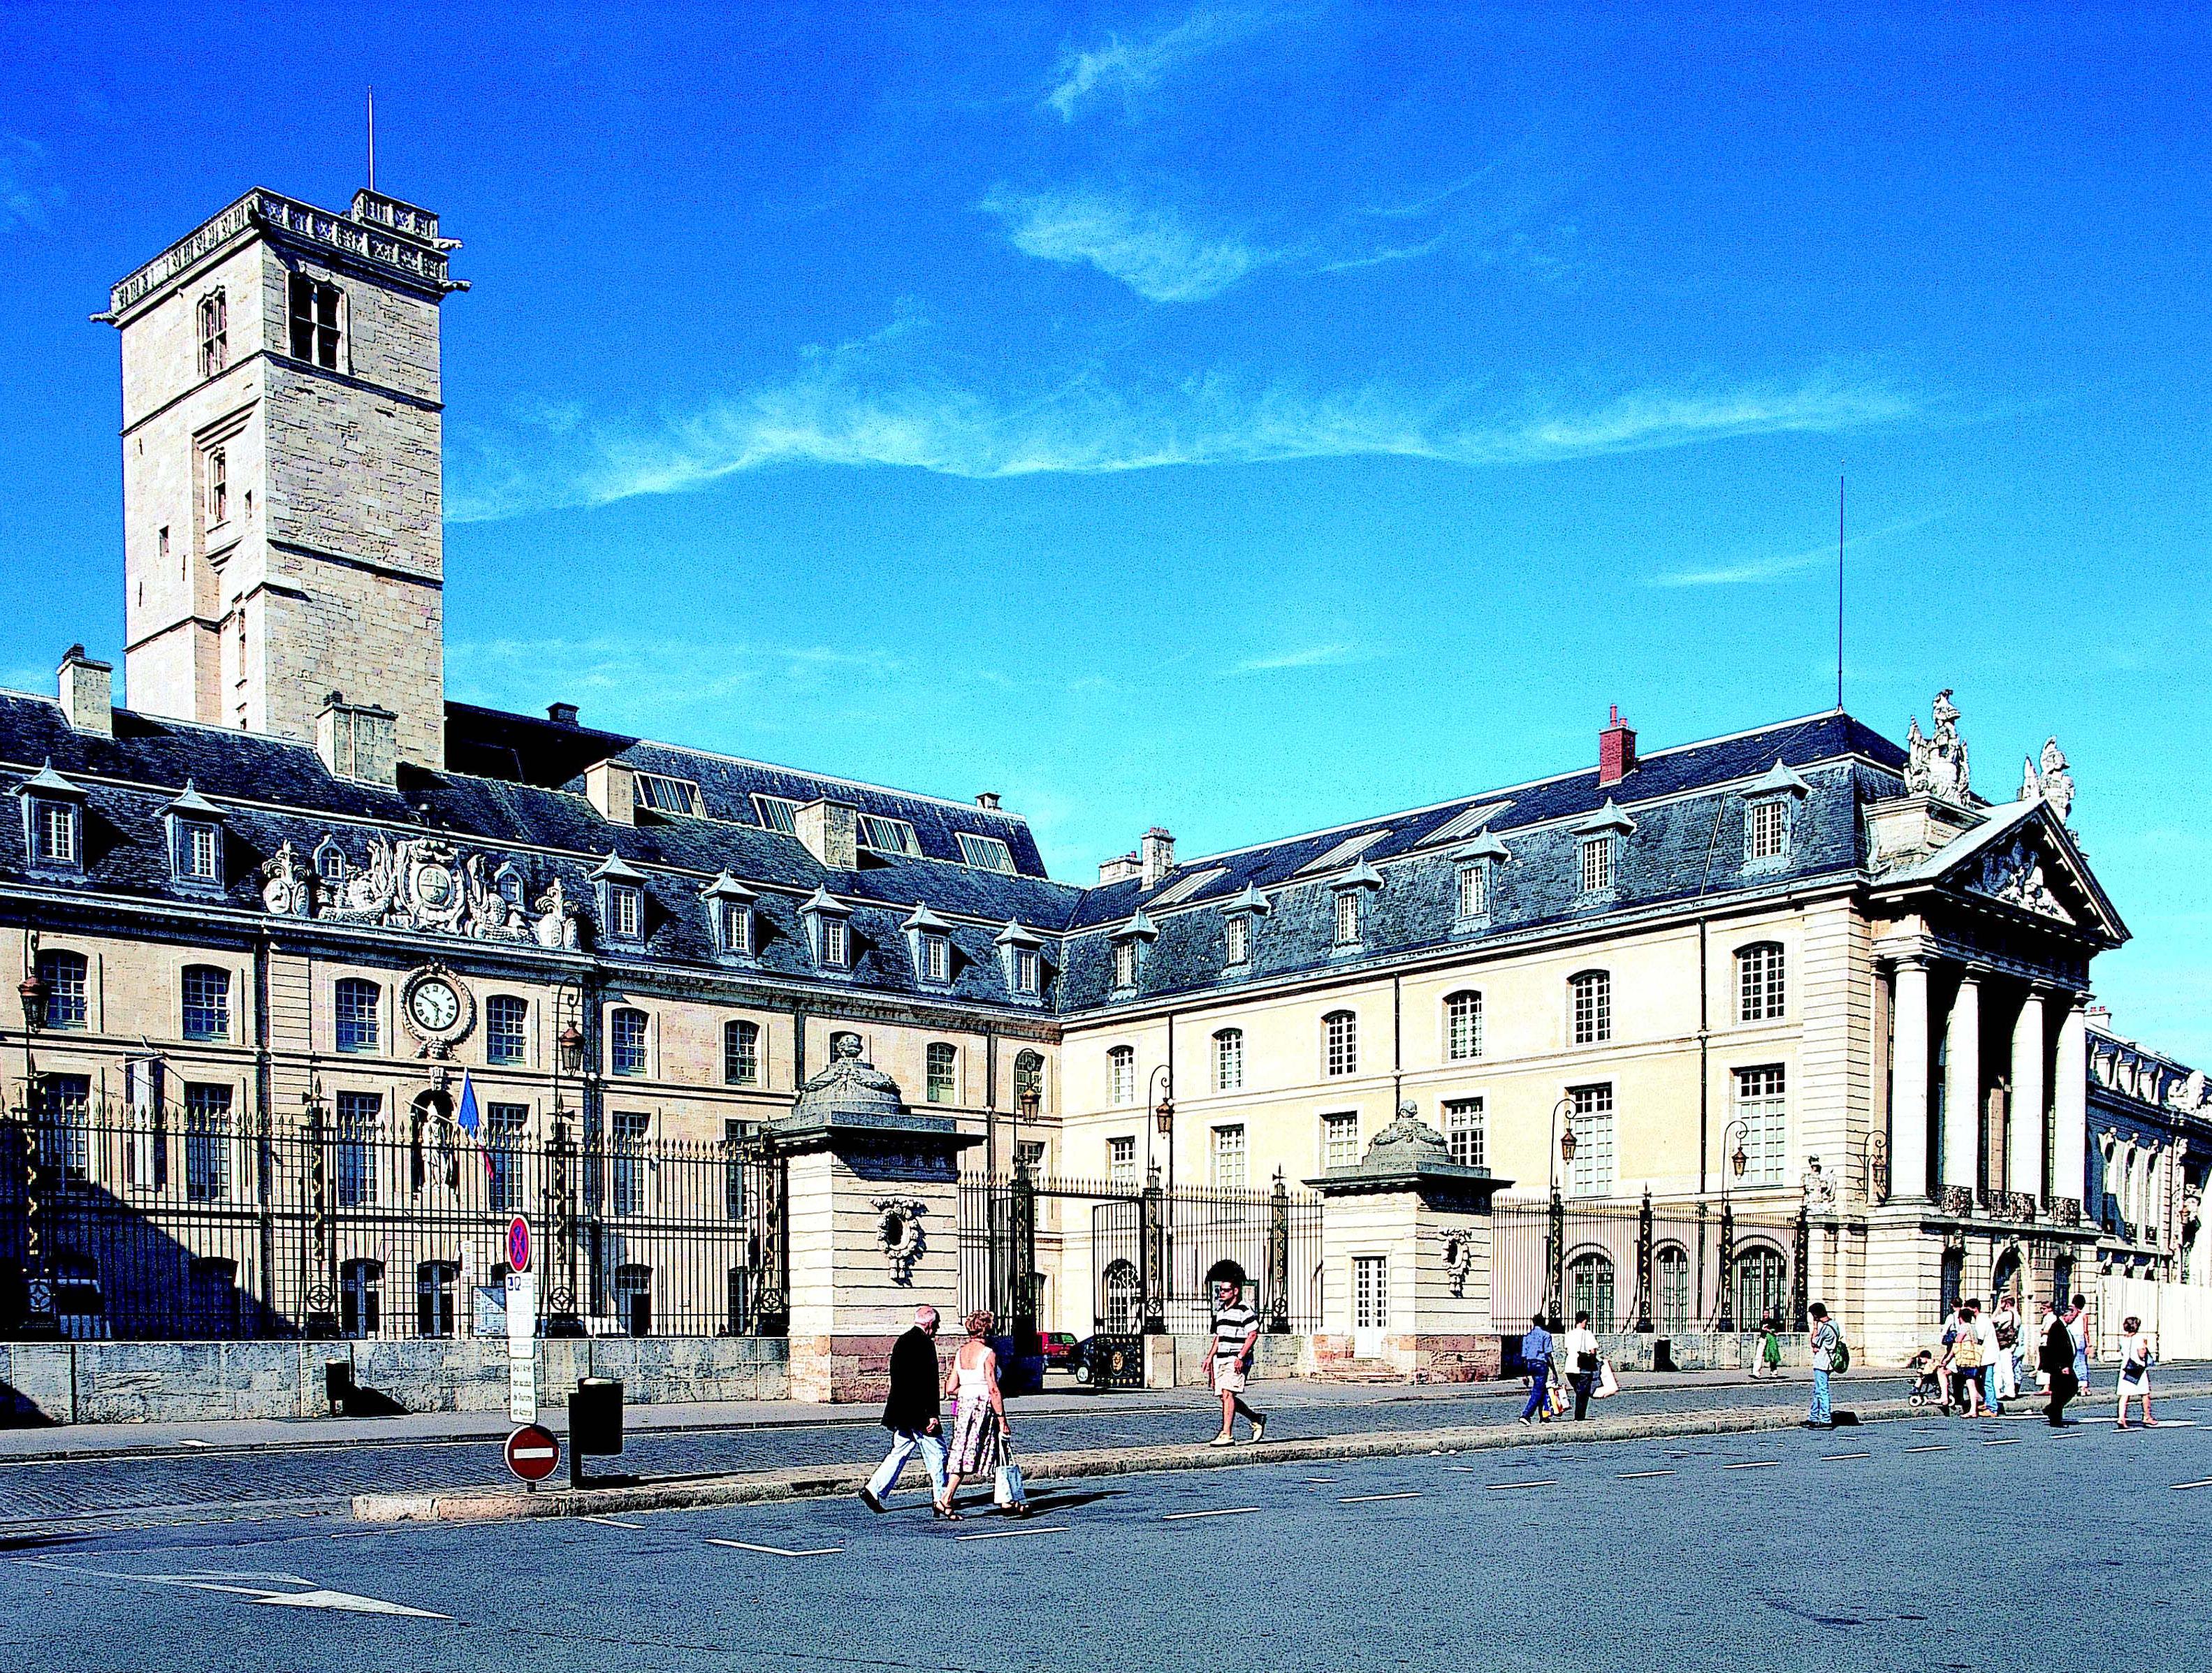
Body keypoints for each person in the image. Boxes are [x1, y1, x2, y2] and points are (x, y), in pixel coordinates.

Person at [939, 1310, 1025, 1519]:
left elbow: (950, 1388)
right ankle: (947, 1498)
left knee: (967, 1451)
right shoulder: (988, 1353)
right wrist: (1002, 1418)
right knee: (989, 1449)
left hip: (963, 1408)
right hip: (982, 1409)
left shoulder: (961, 1353)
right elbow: (993, 1388)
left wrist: (968, 1392)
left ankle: (1004, 1498)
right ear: (987, 1329)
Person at [861, 1304, 946, 1514]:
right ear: (929, 1324)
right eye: (936, 1325)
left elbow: (900, 1379)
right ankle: (942, 1499)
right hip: (919, 1412)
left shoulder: (903, 1341)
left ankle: (874, 1489)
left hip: (902, 1410)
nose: (937, 1330)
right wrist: (931, 1414)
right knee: (938, 1454)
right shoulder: (925, 1344)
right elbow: (927, 1382)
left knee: (900, 1451)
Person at [1206, 1279, 1267, 1446]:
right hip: (1221, 1358)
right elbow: (1219, 1337)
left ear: (1235, 1291)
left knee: (1228, 1394)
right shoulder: (1220, 1313)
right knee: (1225, 1397)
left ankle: (1227, 1434)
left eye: (1226, 1290)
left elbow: (1253, 1334)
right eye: (1221, 1290)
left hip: (1235, 1358)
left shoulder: (1244, 1310)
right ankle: (1256, 1418)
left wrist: (1241, 1356)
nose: (1222, 1293)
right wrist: (1210, 1356)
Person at [2039, 1298, 2079, 1426]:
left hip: (2066, 1365)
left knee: (2070, 1388)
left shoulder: (2063, 1327)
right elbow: (2055, 1349)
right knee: (2060, 1391)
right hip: (2060, 1366)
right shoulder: (2057, 1327)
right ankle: (2055, 1418)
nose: (2073, 1318)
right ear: (2066, 1315)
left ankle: (2052, 1409)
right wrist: (2062, 1366)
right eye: (2072, 1315)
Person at [2115, 1315, 2159, 1429]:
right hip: (2137, 1367)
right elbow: (2141, 1354)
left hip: (2126, 1367)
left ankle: (2121, 1418)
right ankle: (2147, 1416)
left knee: (2124, 1394)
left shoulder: (2123, 1339)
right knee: (2145, 1393)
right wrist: (2145, 1347)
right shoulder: (2139, 1338)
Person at [1561, 1310, 1601, 1420]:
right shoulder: (1587, 1334)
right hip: (1582, 1366)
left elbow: (1567, 1349)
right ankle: (1579, 1416)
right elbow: (1593, 1351)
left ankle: (1578, 1416)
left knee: (1578, 1390)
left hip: (1569, 1367)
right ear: (1584, 1321)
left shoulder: (1569, 1334)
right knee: (1583, 1393)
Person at [1805, 1302, 1840, 1428]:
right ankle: (1813, 1417)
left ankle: (1826, 1419)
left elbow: (1814, 1342)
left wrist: (1815, 1326)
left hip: (1822, 1362)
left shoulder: (1825, 1328)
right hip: (1829, 1361)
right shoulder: (1834, 1325)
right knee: (1818, 1390)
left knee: (1822, 1390)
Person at [1518, 1313, 1555, 1425]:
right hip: (1541, 1364)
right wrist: (1554, 1370)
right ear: (1543, 1323)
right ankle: (1526, 1415)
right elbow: (1548, 1354)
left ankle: (1544, 1416)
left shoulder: (1527, 1337)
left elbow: (1524, 1357)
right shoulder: (1546, 1335)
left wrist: (1524, 1374)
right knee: (1538, 1391)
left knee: (1542, 1390)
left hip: (1530, 1364)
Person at [1988, 1295, 2022, 1413]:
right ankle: (2010, 1391)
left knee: (2000, 1369)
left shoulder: (2008, 1314)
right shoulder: (2017, 1315)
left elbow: (1992, 1320)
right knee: (2008, 1368)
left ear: (2006, 1304)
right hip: (2010, 1344)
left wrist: (1998, 1308)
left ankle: (2000, 1391)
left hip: (2003, 1345)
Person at [1756, 1314, 1783, 1381]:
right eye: (1764, 1313)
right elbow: (1760, 1330)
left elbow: (1776, 1331)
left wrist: (1768, 1330)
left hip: (1771, 1340)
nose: (1765, 1315)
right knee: (1759, 1355)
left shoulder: (1772, 1322)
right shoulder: (1761, 1322)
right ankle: (1756, 1372)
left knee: (1772, 1355)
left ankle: (1774, 1371)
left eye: (1767, 1313)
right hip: (1763, 1339)